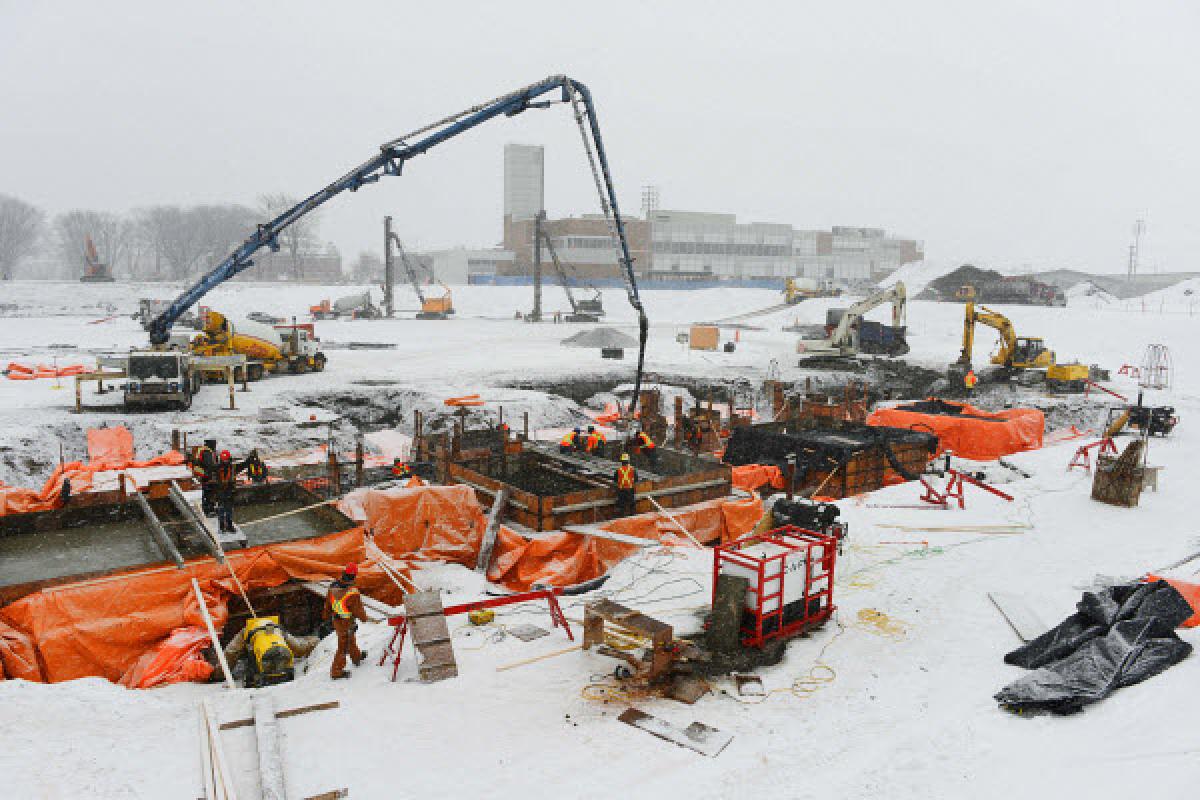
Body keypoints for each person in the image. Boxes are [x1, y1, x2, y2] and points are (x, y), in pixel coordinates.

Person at [323, 563, 368, 679]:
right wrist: (364, 618)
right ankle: (336, 672)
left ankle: (356, 656)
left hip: (337, 620)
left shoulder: (333, 587)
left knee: (350, 638)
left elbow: (327, 604)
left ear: (344, 573)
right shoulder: (352, 593)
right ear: (354, 576)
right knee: (342, 646)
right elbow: (358, 610)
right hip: (346, 621)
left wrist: (325, 615)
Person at [212, 450, 249, 533]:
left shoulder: (232, 467)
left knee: (229, 510)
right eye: (224, 460)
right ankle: (222, 527)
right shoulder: (216, 468)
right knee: (221, 509)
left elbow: (241, 466)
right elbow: (213, 480)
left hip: (229, 491)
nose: (225, 462)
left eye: (226, 460)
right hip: (220, 491)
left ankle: (229, 525)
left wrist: (248, 461)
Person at [191, 439, 218, 513]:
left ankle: (208, 508)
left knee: (206, 492)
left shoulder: (203, 450)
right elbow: (209, 465)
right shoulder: (207, 452)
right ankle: (208, 510)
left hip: (203, 473)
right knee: (208, 492)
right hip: (206, 475)